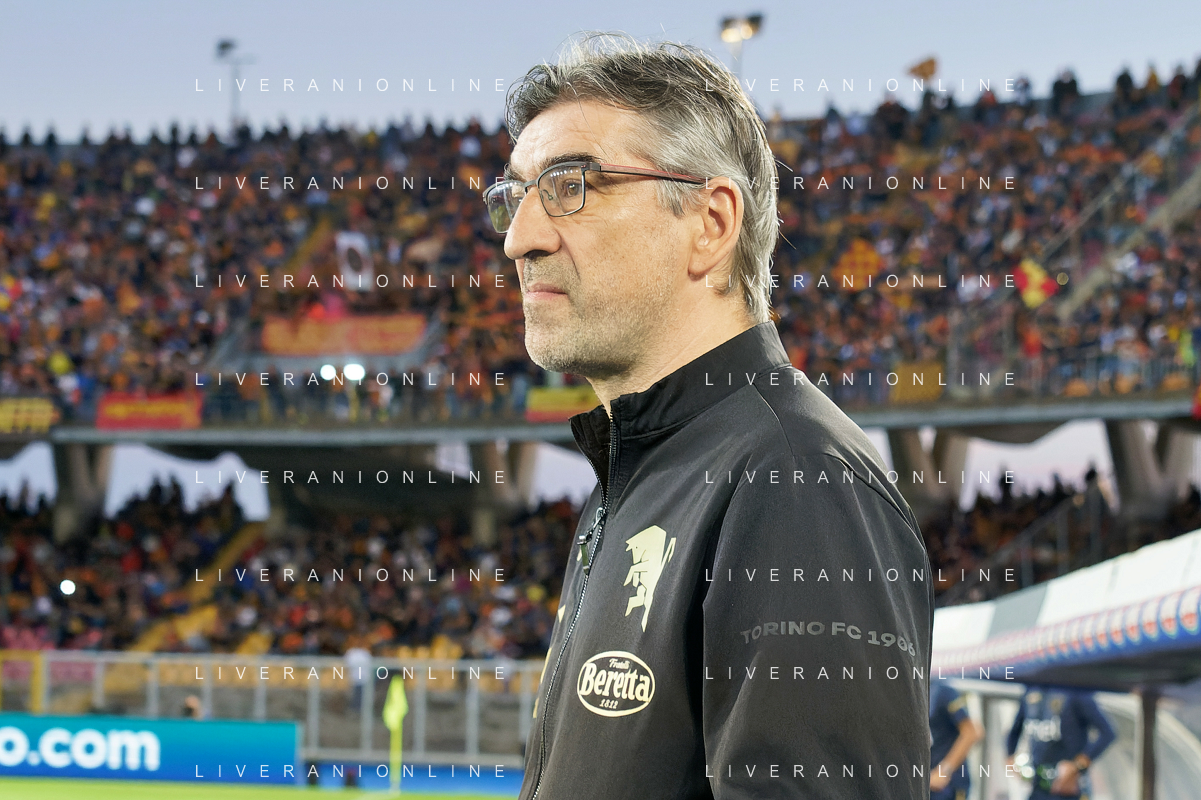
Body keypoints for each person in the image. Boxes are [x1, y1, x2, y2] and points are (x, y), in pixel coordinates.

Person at [486, 32, 933, 799]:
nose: (518, 239)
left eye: (570, 185)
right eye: (513, 196)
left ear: (711, 223)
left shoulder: (795, 479)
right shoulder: (642, 472)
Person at [1005, 685, 1116, 799]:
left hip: (1069, 788)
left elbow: (1108, 733)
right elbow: (1015, 729)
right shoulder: (1032, 688)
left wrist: (1077, 766)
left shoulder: (1076, 690)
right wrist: (1010, 756)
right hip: (1039, 785)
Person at [929, 682, 984, 800]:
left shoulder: (941, 691)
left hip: (949, 785)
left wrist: (944, 771)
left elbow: (972, 732)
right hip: (927, 783)